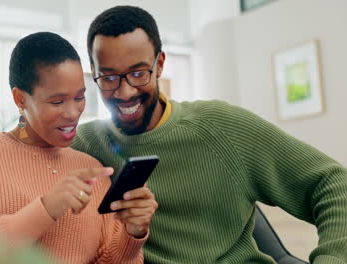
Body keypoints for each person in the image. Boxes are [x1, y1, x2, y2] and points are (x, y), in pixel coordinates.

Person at [71, 5, 347, 264]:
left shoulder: (222, 126)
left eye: (139, 73)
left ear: (161, 64)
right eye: (108, 78)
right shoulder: (82, 144)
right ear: (93, 73)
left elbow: (333, 183)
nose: (125, 91)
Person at [0, 32, 158, 264]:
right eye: (57, 101)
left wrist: (133, 232)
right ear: (20, 99)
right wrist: (45, 209)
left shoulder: (91, 169)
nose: (72, 113)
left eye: (79, 97)